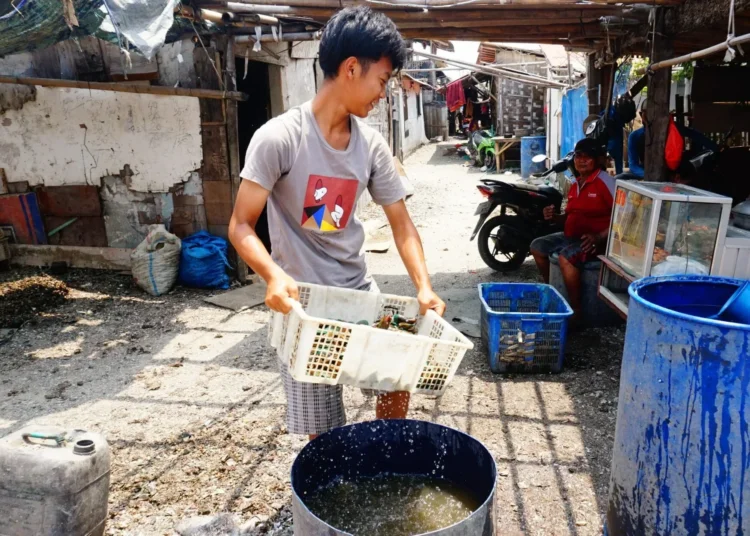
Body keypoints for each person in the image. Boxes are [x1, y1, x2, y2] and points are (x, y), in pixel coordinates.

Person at [228, 6, 446, 441]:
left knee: (398, 374)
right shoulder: (279, 138)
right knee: (322, 433)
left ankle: (381, 460)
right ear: (351, 68)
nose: (383, 93)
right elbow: (240, 226)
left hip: (359, 290)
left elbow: (401, 224)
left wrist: (424, 286)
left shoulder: (372, 146)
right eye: (382, 81)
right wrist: (271, 276)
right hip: (302, 304)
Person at [530, 138, 615, 327]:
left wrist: (600, 236)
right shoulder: (576, 184)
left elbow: (623, 217)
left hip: (597, 240)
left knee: (565, 258)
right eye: (578, 156)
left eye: (588, 157)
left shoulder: (605, 182)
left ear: (598, 160)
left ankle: (576, 311)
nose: (582, 160)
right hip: (572, 235)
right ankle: (552, 293)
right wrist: (553, 217)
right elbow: (569, 217)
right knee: (537, 247)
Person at [624, 101, 718, 180]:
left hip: (673, 175)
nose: (652, 117)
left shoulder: (673, 130)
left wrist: (717, 149)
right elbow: (633, 165)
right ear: (641, 115)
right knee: (620, 178)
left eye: (655, 113)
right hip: (647, 174)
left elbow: (695, 135)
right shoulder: (635, 136)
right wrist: (648, 176)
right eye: (648, 113)